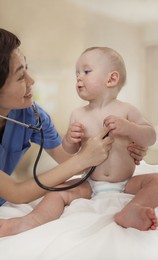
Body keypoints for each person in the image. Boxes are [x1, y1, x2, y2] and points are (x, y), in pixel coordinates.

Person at [0, 38, 147, 236]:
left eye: (27, 68)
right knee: (58, 193)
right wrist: (83, 157)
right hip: (11, 197)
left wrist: (123, 147)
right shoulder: (77, 113)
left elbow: (73, 163)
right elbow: (16, 192)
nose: (31, 80)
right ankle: (27, 222)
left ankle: (134, 209)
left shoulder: (31, 114)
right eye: (20, 77)